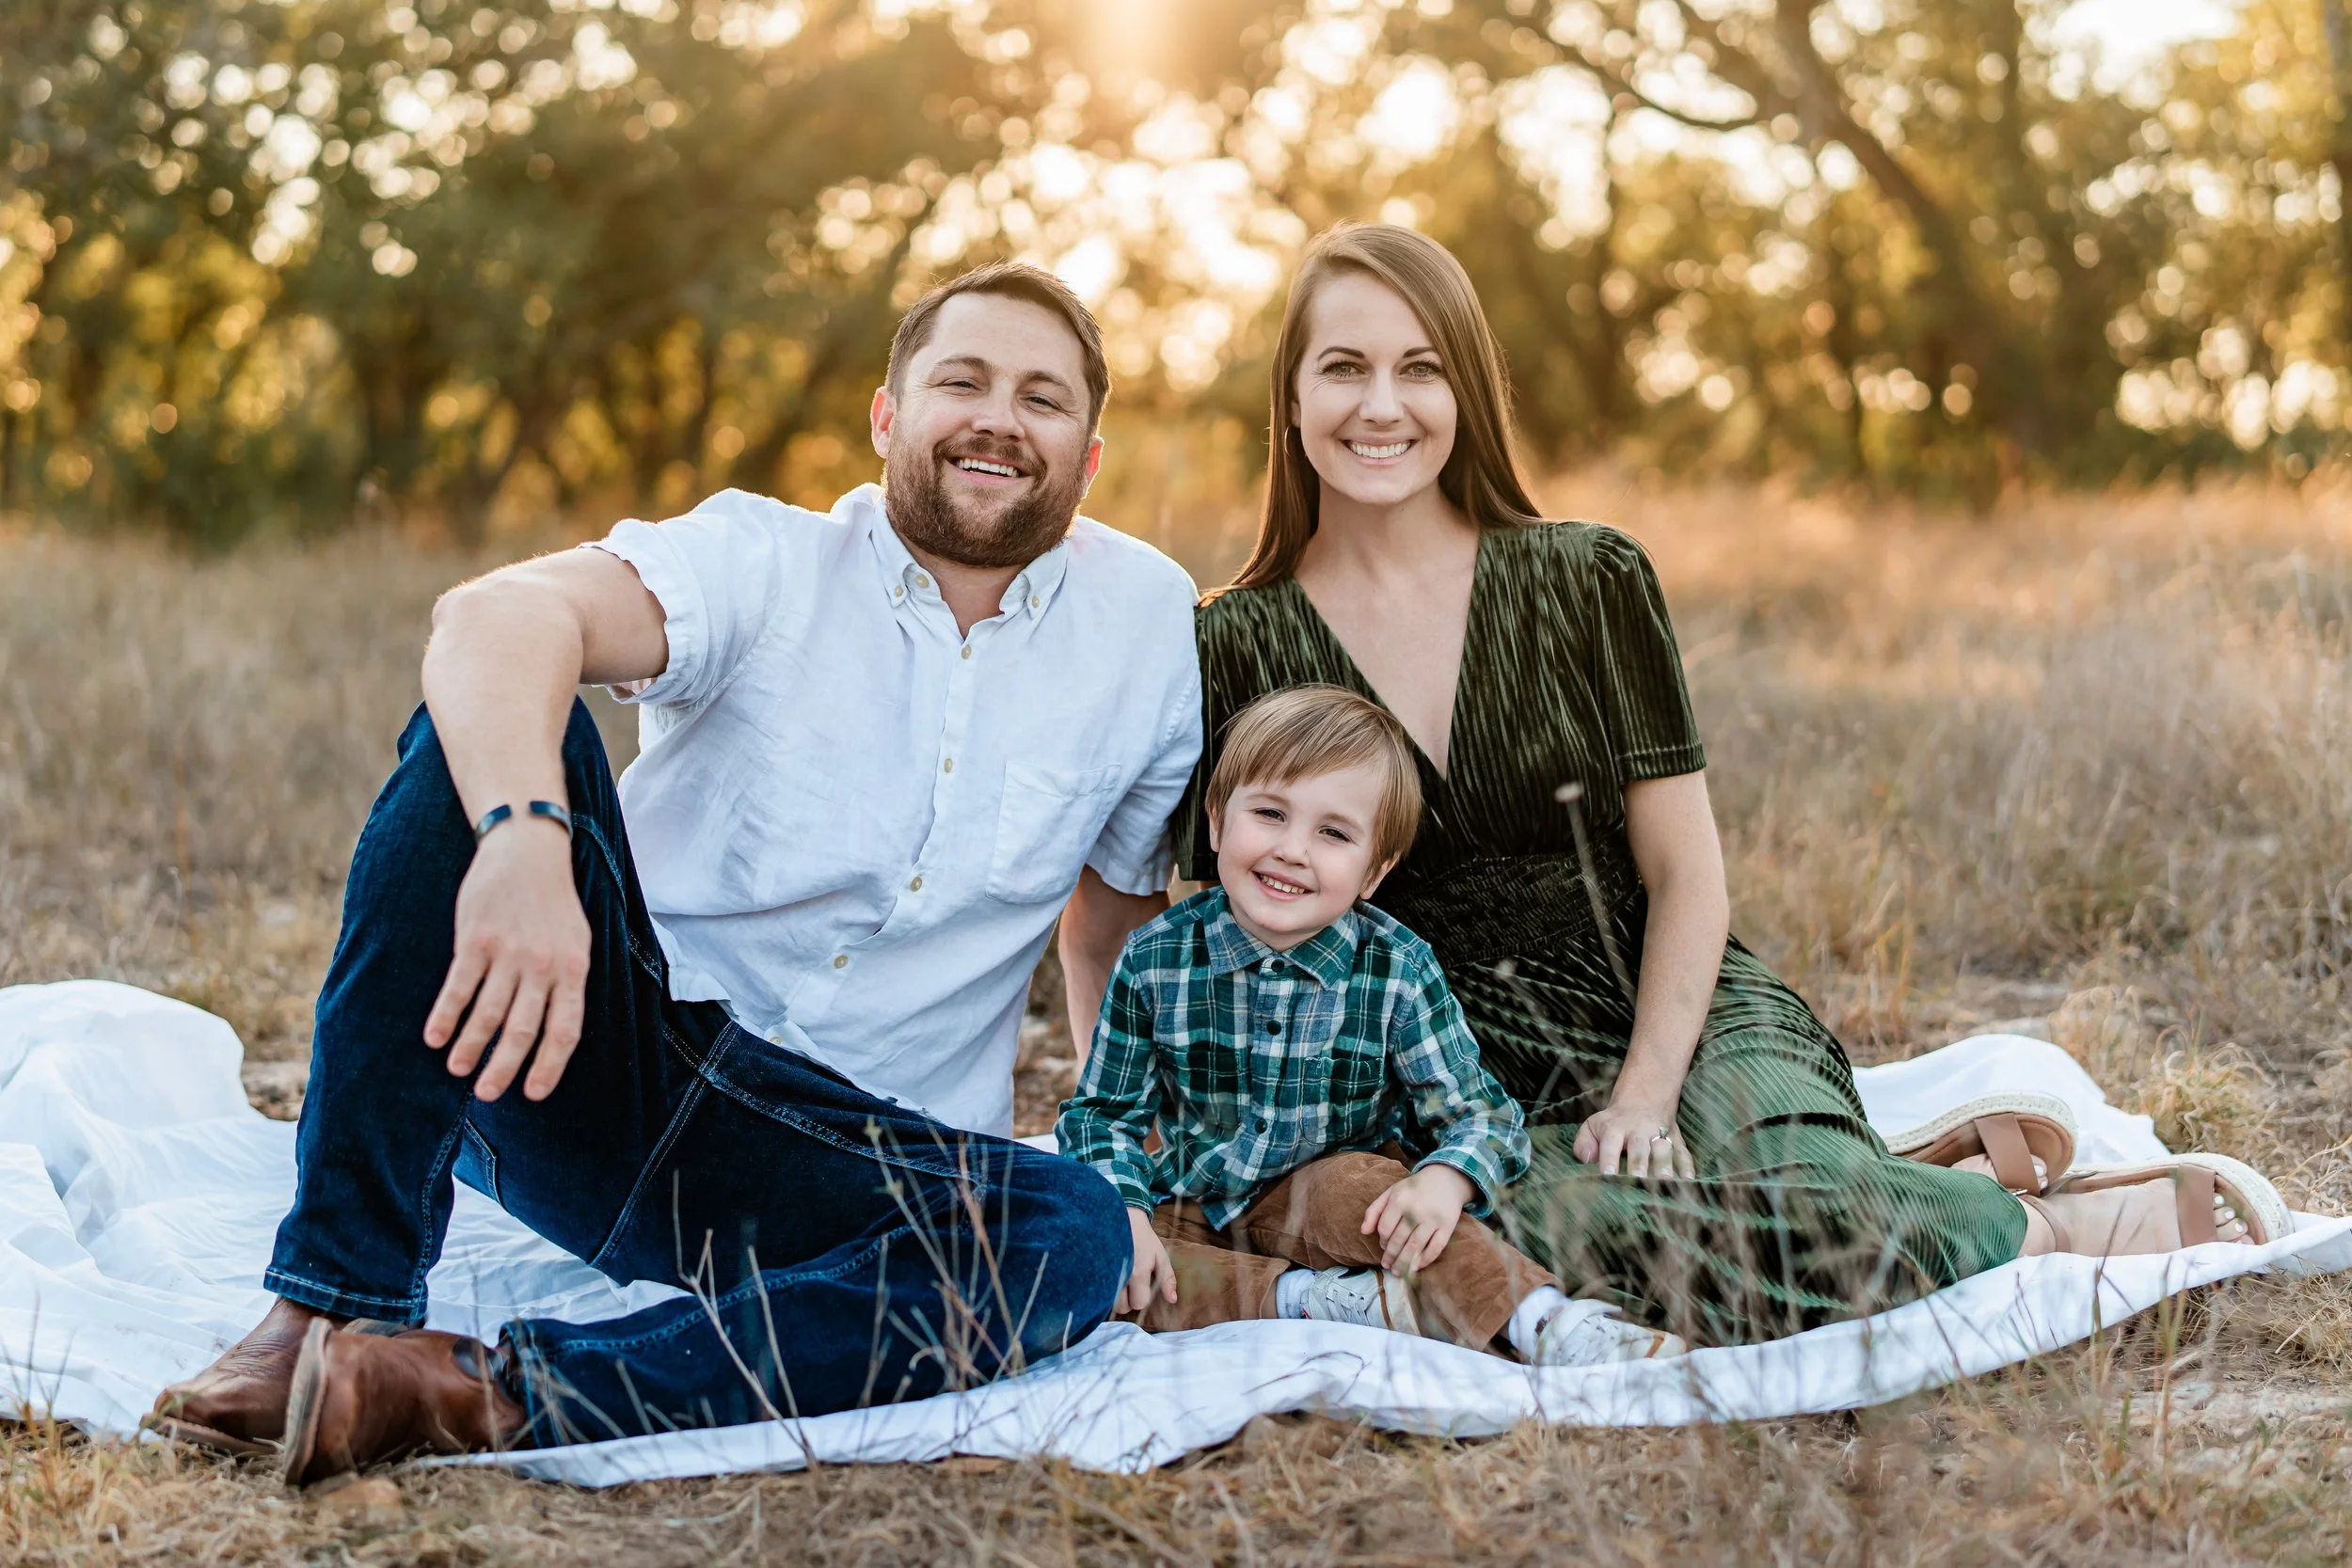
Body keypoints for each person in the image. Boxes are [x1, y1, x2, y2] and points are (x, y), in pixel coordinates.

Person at [148, 262, 1200, 1481]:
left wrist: (1124, 1175)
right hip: (592, 1064)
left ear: (1090, 451)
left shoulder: (1147, 622)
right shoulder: (767, 557)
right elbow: (495, 615)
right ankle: (328, 1306)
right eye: (960, 381)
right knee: (479, 734)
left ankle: (461, 1392)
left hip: (849, 1157)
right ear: (886, 417)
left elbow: (1110, 931)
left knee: (1064, 1230)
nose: (998, 419)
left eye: (1042, 398)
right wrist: (528, 838)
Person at [1180, 224, 2292, 1347]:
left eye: (1420, 367)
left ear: (1466, 389)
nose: (1383, 404)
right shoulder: (1229, 642)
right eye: (1345, 367)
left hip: (1673, 996)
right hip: (1450, 1071)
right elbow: (1209, 922)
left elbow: (1686, 869)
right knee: (1559, 1233)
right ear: (1291, 395)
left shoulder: (1586, 576)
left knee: (1825, 1212)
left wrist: (1647, 1093)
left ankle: (2039, 1229)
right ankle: (1926, 1182)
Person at [1058, 685, 1685, 1366]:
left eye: (1333, 833)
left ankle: (1546, 1322)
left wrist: (1447, 1177)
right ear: (1216, 824)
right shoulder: (1157, 958)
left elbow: (1483, 1114)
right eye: (1269, 813)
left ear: (1374, 870)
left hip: (1333, 1195)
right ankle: (1320, 1301)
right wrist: (1124, 1210)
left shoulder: (1396, 969)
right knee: (1101, 1258)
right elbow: (1102, 1115)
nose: (1292, 850)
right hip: (1196, 1197)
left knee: (1374, 1190)